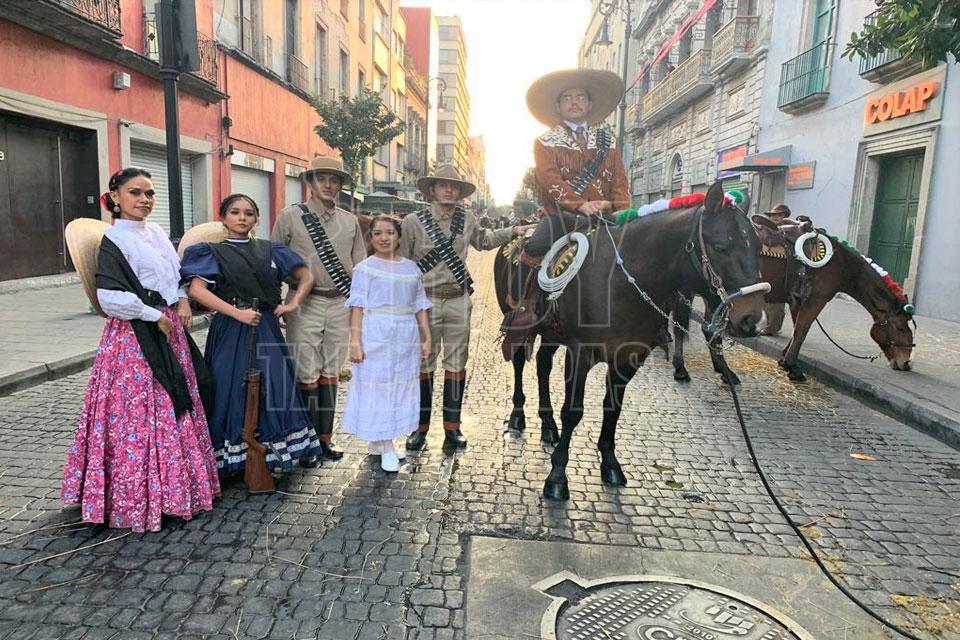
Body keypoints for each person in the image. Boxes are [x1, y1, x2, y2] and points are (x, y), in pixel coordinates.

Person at [60, 168, 220, 532]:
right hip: (135, 336)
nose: (145, 199)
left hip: (168, 328)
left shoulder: (156, 232)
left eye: (149, 193)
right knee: (141, 411)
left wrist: (181, 300)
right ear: (115, 197)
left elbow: (175, 275)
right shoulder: (114, 240)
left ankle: (174, 491)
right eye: (135, 192)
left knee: (175, 401)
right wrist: (153, 315)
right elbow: (109, 297)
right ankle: (135, 497)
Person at [180, 194, 322, 473]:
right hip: (230, 328)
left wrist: (292, 304)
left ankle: (273, 454)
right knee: (228, 385)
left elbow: (306, 276)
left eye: (248, 213)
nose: (242, 217)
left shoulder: (272, 250)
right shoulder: (209, 251)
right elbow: (197, 290)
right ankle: (232, 458)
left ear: (256, 219)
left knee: (274, 384)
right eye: (235, 212)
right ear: (223, 218)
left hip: (266, 327)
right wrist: (237, 313)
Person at [399, 165, 532, 453]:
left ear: (460, 192)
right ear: (432, 189)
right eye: (443, 185)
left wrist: (514, 231)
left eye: (454, 186)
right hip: (425, 301)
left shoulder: (467, 218)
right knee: (423, 364)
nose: (449, 190)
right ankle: (419, 428)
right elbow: (403, 264)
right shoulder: (412, 222)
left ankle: (452, 428)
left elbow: (484, 241)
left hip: (458, 300)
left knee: (456, 364)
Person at [506, 69, 631, 332]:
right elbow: (549, 179)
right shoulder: (545, 141)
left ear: (590, 104)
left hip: (605, 217)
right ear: (558, 106)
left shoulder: (608, 142)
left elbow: (620, 182)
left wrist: (618, 209)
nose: (574, 102)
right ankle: (521, 307)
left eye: (580, 96)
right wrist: (579, 204)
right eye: (567, 97)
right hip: (562, 217)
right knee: (535, 246)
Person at [272, 156, 367, 466]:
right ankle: (307, 442)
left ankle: (325, 438)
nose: (328, 185)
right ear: (310, 183)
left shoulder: (350, 222)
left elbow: (360, 268)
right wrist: (281, 301)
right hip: (305, 303)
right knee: (306, 372)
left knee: (330, 372)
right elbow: (274, 261)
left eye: (334, 180)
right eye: (322, 179)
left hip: (340, 302)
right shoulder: (290, 217)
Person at [341, 216, 432, 472]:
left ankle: (379, 440)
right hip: (376, 333)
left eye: (390, 233)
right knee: (378, 388)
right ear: (370, 238)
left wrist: (426, 337)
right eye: (378, 233)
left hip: (405, 336)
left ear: (398, 236)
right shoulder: (364, 269)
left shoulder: (411, 268)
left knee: (399, 387)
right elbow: (357, 307)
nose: (384, 238)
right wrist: (355, 342)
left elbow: (419, 305)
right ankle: (387, 446)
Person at [761, 203, 792, 336]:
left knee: (776, 298)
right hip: (768, 270)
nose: (775, 217)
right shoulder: (765, 229)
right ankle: (767, 325)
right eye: (773, 215)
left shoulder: (788, 231)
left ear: (783, 216)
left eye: (778, 215)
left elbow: (771, 241)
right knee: (766, 297)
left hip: (782, 271)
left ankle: (772, 327)